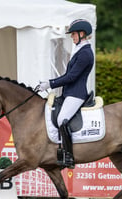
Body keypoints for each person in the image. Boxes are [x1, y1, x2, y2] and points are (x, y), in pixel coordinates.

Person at [37, 19, 94, 168]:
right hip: (69, 93)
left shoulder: (85, 53)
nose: (72, 37)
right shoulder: (80, 50)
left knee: (63, 118)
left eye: (74, 34)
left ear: (82, 34)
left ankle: (68, 156)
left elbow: (71, 77)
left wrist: (50, 83)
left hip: (76, 94)